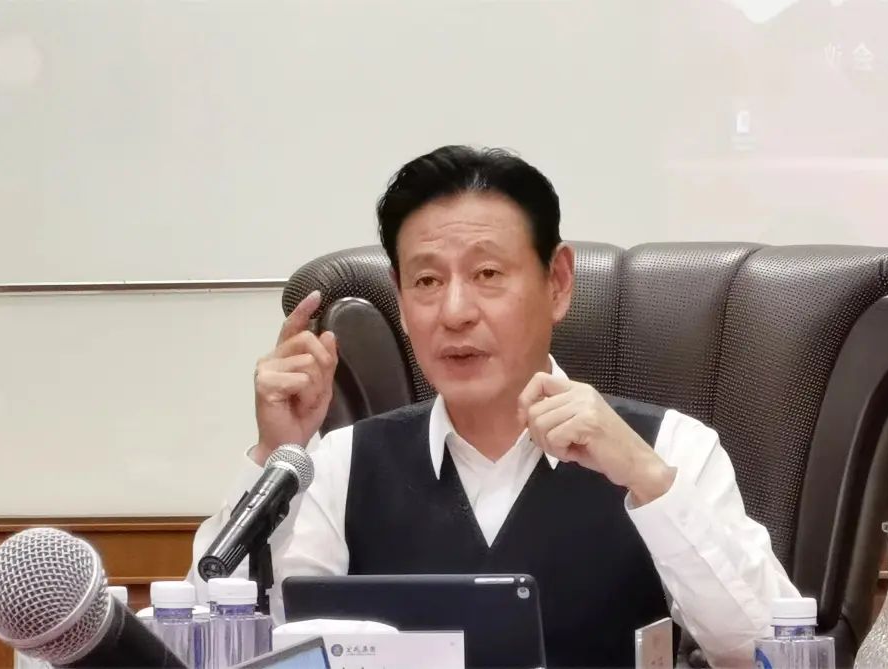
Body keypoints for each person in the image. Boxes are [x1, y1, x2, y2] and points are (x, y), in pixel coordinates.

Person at [191, 145, 798, 668]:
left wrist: (646, 478)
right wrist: (277, 455)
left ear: (557, 283)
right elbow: (219, 645)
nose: (455, 312)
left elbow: (771, 651)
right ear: (400, 300)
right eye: (427, 281)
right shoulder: (342, 463)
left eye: (486, 273)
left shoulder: (671, 448)